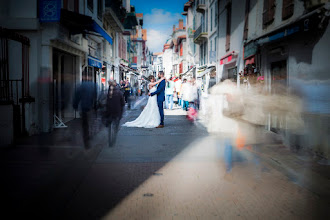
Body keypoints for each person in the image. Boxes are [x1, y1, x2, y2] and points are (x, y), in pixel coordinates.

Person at [73, 74, 97, 148]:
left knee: (85, 124)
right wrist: (95, 105)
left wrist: (75, 105)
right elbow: (96, 96)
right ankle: (91, 133)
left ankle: (86, 138)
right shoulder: (94, 85)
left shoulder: (81, 85)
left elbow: (77, 96)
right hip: (91, 107)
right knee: (91, 122)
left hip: (84, 107)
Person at [103, 80, 125, 147]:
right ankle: (114, 138)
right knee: (115, 125)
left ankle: (110, 139)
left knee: (109, 125)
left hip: (109, 112)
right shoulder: (119, 92)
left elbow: (103, 102)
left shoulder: (106, 92)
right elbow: (123, 103)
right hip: (117, 111)